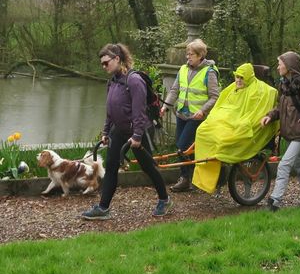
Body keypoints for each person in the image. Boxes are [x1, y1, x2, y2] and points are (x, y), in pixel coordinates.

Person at [81, 43, 171, 220]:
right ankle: (103, 208)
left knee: (148, 167)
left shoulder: (134, 81)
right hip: (119, 130)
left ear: (117, 59)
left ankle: (164, 199)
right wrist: (106, 132)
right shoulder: (113, 81)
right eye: (102, 64)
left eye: (106, 62)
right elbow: (111, 110)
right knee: (112, 166)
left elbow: (140, 112)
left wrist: (137, 136)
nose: (103, 66)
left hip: (139, 131)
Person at [191, 62, 279, 193]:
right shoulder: (232, 88)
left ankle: (216, 178)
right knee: (202, 131)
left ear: (248, 77)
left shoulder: (259, 91)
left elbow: (254, 112)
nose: (238, 80)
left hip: (237, 124)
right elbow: (220, 106)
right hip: (223, 122)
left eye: (241, 77)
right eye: (237, 77)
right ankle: (205, 180)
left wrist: (240, 123)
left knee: (221, 141)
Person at [260, 52, 300, 211]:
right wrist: (270, 116)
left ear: (289, 66)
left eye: (280, 63)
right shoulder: (284, 84)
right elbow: (281, 108)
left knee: (284, 165)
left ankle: (275, 201)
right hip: (290, 134)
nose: (278, 66)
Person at [160, 39, 219, 192]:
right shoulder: (183, 69)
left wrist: (203, 110)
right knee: (183, 148)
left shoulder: (209, 72)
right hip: (181, 115)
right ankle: (189, 178)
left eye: (191, 54)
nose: (188, 57)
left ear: (200, 55)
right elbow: (174, 90)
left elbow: (214, 96)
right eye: (187, 54)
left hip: (196, 117)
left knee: (183, 147)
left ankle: (187, 178)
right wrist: (165, 106)